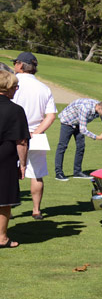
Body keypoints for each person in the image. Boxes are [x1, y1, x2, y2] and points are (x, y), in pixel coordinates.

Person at [12, 52, 56, 220]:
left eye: (16, 63)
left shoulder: (12, 84)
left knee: (7, 171)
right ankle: (36, 210)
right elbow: (50, 116)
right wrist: (35, 133)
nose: (15, 66)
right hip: (36, 134)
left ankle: (6, 208)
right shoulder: (44, 88)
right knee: (37, 174)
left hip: (13, 134)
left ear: (21, 65)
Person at [0, 71, 30, 248]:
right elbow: (22, 142)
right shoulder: (16, 110)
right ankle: (2, 237)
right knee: (3, 199)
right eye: (15, 87)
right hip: (4, 158)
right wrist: (23, 164)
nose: (16, 90)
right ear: (9, 88)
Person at [54, 97, 102, 180]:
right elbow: (83, 130)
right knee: (62, 146)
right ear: (99, 108)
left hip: (79, 123)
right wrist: (97, 137)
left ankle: (77, 172)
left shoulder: (100, 107)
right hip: (67, 122)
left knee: (81, 147)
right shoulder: (85, 108)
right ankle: (58, 173)